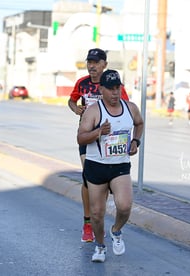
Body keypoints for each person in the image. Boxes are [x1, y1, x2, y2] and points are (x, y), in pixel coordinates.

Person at [77, 69, 144, 262]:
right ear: (101, 89)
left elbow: (139, 124)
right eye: (111, 89)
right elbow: (80, 138)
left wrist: (135, 142)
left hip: (120, 166)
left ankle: (116, 230)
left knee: (124, 206)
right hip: (96, 166)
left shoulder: (130, 108)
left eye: (118, 88)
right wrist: (98, 132)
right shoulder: (93, 111)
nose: (115, 93)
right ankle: (99, 246)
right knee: (97, 214)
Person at [68, 48, 129, 243]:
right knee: (88, 177)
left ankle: (98, 218)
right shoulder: (82, 83)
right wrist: (76, 108)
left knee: (106, 183)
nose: (91, 66)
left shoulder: (113, 85)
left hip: (110, 139)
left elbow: (126, 108)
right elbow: (71, 100)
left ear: (104, 64)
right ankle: (88, 222)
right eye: (89, 62)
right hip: (88, 138)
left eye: (95, 62)